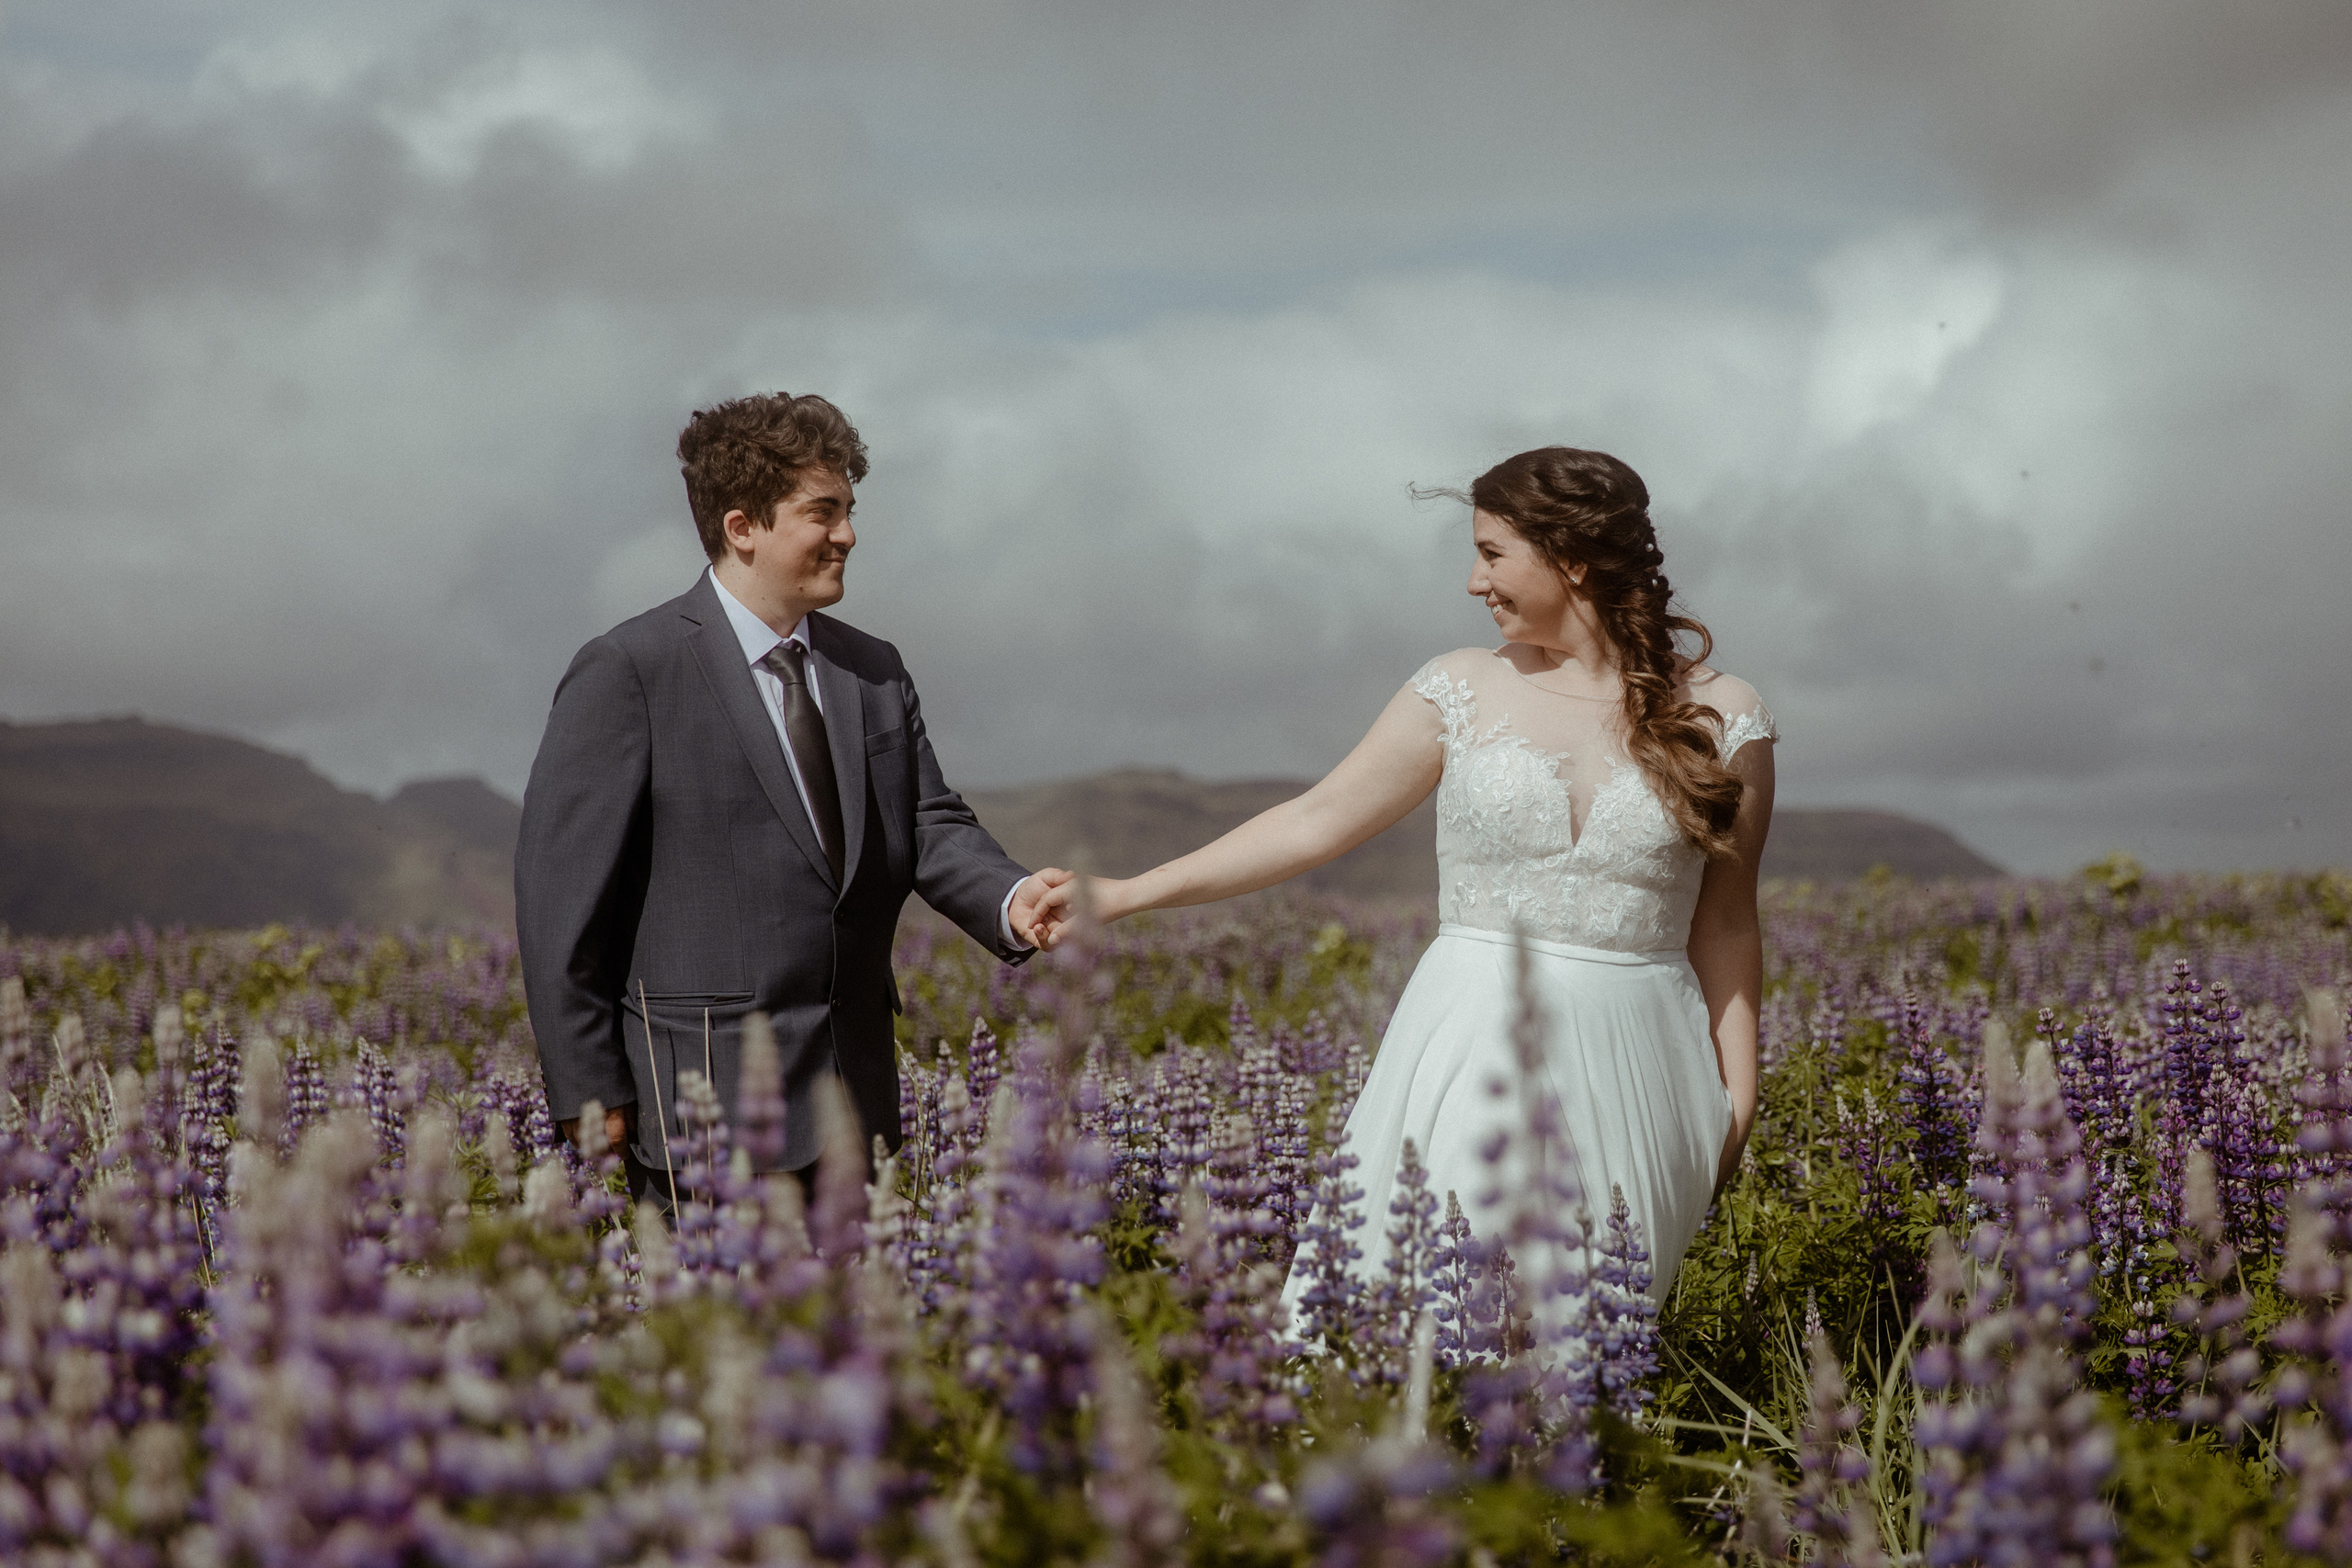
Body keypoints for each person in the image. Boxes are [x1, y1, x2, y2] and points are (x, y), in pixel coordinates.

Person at [1039, 446, 1772, 1307]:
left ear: (1571, 558)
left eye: (1493, 553)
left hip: (1647, 1064)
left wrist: (1738, 1096)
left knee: (1594, 1365)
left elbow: (1725, 921)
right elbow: (1313, 822)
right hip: (1470, 1039)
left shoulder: (1724, 715)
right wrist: (1126, 893)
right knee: (1422, 1319)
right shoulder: (1459, 686)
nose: (1473, 581)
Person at [516, 391, 1069, 1202]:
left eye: (848, 509)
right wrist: (588, 1087)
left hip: (856, 1105)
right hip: (703, 1111)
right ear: (742, 526)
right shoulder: (630, 670)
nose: (847, 533)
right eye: (824, 511)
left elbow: (926, 819)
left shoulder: (874, 669)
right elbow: (558, 899)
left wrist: (1013, 896)